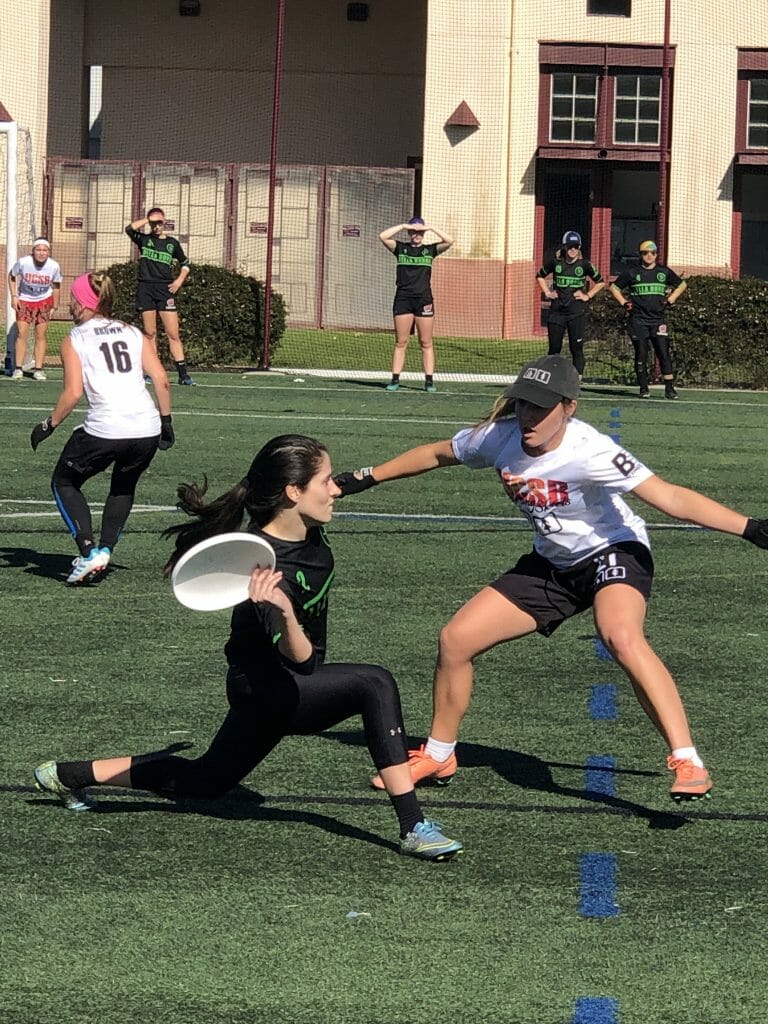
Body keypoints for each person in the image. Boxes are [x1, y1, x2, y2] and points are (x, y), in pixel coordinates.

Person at [334, 354, 768, 803]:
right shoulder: (499, 438)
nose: (528, 416)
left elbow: (668, 496)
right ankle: (440, 754)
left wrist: (750, 528)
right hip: (552, 565)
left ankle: (688, 761)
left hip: (613, 552)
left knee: (620, 635)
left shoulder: (591, 450)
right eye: (523, 404)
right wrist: (366, 477)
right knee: (456, 639)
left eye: (541, 407)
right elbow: (437, 453)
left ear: (569, 407)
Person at [33, 435, 463, 861]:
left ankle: (67, 774)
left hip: (272, 683)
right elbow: (305, 662)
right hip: (269, 687)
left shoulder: (305, 521)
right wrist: (283, 611)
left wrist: (367, 476)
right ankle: (413, 826)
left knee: (205, 781)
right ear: (294, 492)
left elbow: (349, 482)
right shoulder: (265, 568)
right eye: (328, 481)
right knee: (374, 683)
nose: (336, 489)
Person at [29, 269, 175, 585]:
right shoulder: (133, 332)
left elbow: (72, 393)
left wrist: (48, 425)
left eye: (72, 300)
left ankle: (88, 550)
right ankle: (106, 549)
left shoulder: (75, 339)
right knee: (123, 486)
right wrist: (166, 423)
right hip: (146, 427)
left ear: (84, 304)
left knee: (64, 481)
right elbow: (162, 379)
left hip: (107, 428)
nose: (70, 307)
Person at [379, 217, 453, 393]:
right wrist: (404, 226)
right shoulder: (400, 249)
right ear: (409, 233)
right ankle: (395, 379)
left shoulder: (430, 250)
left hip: (423, 300)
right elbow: (383, 236)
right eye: (413, 232)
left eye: (420, 232)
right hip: (403, 299)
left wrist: (431, 227)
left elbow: (450, 241)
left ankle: (428, 381)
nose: (416, 235)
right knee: (401, 341)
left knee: (425, 342)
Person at [608, 240, 687, 400]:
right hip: (638, 320)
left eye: (652, 253)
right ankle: (644, 388)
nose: (649, 256)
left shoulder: (663, 272)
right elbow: (614, 287)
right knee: (641, 354)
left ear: (656, 254)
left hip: (658, 320)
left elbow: (682, 285)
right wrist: (624, 302)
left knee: (663, 353)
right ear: (640, 255)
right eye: (645, 253)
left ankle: (670, 389)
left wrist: (670, 300)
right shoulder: (632, 272)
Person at [125, 208, 195, 386]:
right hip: (146, 288)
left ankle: (183, 374)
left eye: (160, 222)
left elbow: (185, 263)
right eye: (154, 223)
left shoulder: (172, 243)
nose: (157, 226)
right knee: (150, 333)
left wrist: (179, 281)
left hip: (165, 290)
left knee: (173, 333)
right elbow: (129, 229)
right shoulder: (144, 239)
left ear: (164, 223)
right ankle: (152, 371)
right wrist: (147, 219)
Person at [536, 231, 604, 382]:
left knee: (576, 348)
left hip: (576, 312)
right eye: (570, 246)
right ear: (565, 247)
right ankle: (550, 379)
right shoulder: (556, 263)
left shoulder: (585, 265)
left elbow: (601, 282)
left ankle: (575, 382)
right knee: (554, 348)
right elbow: (539, 275)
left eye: (576, 246)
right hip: (557, 312)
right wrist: (547, 292)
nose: (573, 249)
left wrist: (588, 295)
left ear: (579, 247)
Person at [7, 238, 62, 380]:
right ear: (33, 251)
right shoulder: (24, 262)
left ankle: (38, 369)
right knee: (22, 334)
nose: (41, 253)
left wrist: (54, 306)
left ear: (48, 252)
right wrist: (14, 296)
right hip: (25, 301)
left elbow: (56, 286)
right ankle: (18, 368)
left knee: (40, 335)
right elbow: (11, 276)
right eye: (38, 249)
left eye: (44, 250)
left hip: (44, 301)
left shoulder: (54, 266)